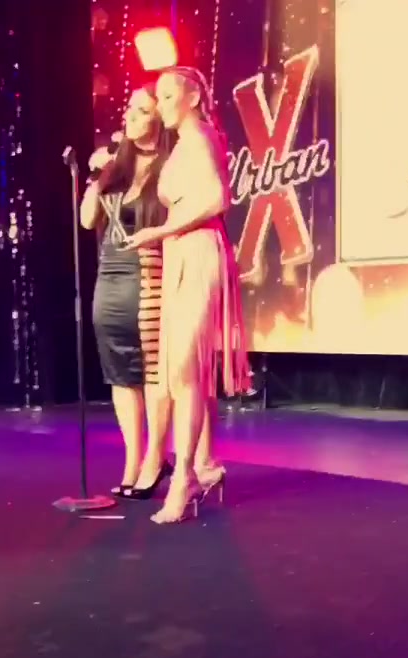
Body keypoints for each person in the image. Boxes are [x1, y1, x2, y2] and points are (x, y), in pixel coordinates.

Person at [124, 66, 251, 523]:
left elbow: (218, 199)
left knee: (184, 367)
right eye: (157, 97)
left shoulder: (200, 136)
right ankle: (199, 465)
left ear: (193, 96)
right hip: (180, 251)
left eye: (167, 94)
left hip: (197, 251)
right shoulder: (183, 142)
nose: (161, 104)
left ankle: (185, 477)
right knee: (180, 373)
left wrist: (160, 230)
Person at [80, 84, 174, 498]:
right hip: (111, 275)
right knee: (120, 373)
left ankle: (156, 458)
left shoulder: (170, 165)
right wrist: (96, 177)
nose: (131, 116)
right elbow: (88, 220)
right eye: (129, 109)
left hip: (150, 273)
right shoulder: (116, 167)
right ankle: (132, 462)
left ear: (159, 119)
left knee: (152, 371)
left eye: (142, 110)